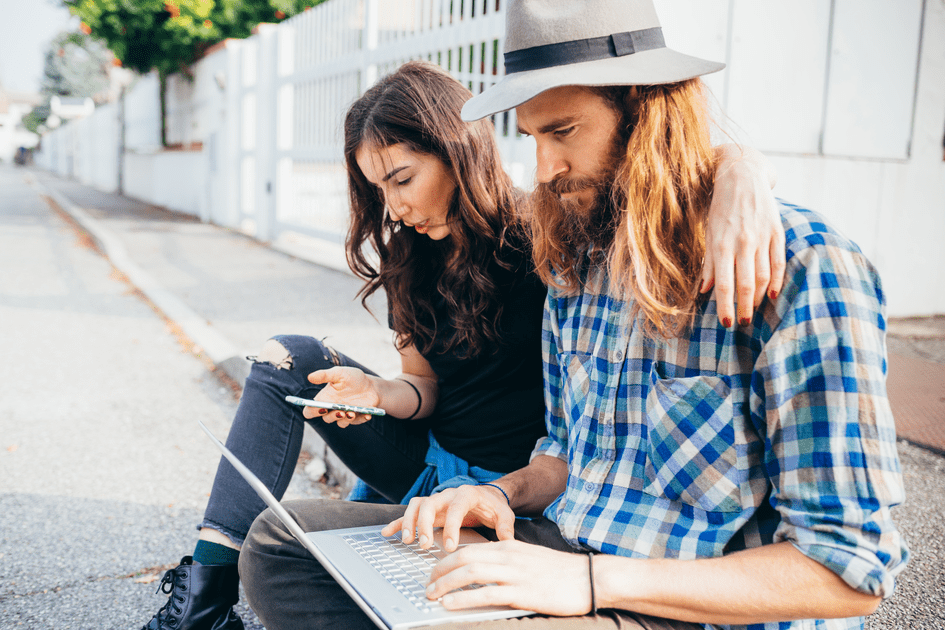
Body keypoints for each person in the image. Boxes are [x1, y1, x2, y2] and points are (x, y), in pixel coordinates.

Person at [237, 1, 910, 630]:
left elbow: (846, 571)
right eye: (530, 137)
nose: (546, 167)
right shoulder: (578, 263)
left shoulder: (805, 268)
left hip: (672, 603)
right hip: (555, 550)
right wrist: (498, 495)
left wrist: (588, 583)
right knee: (282, 544)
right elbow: (564, 457)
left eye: (562, 132)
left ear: (648, 111)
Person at [143, 55, 783, 630]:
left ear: (458, 152)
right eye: (377, 190)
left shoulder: (548, 233)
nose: (392, 208)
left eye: (400, 178)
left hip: (530, 487)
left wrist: (741, 168)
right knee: (289, 360)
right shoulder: (408, 262)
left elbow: (652, 177)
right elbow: (423, 390)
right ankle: (207, 585)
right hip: (433, 468)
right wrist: (376, 394)